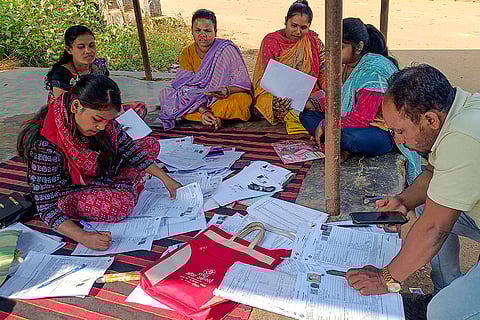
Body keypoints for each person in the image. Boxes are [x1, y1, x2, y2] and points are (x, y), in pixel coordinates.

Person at [345, 65, 480, 320]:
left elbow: (434, 229)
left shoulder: (463, 137)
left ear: (430, 119)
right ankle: (447, 286)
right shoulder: (458, 111)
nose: (397, 140)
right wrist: (402, 201)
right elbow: (431, 175)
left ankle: (451, 301)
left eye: (400, 131)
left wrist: (387, 278)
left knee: (445, 312)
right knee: (425, 205)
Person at [18, 74, 181, 250]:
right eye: (97, 119)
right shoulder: (46, 144)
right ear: (75, 107)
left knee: (150, 144)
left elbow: (129, 148)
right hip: (69, 190)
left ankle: (126, 185)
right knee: (118, 206)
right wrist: (84, 237)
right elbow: (46, 208)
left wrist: (165, 179)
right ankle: (128, 186)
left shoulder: (103, 124)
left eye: (108, 120)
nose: (103, 127)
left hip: (100, 173)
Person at [299, 17, 397, 156]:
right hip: (348, 123)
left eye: (341, 47)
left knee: (345, 137)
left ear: (359, 47)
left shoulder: (372, 72)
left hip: (378, 131)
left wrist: (325, 125)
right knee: (306, 116)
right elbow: (337, 101)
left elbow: (363, 118)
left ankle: (335, 142)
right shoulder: (345, 66)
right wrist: (314, 104)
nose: (333, 52)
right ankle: (335, 142)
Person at [158, 9, 252, 130]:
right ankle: (211, 117)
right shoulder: (187, 52)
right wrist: (202, 110)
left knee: (243, 100)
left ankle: (212, 117)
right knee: (166, 94)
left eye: (207, 31)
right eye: (198, 30)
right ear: (192, 32)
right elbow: (183, 86)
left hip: (220, 98)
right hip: (195, 100)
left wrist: (227, 90)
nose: (202, 35)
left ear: (215, 32)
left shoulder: (226, 49)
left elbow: (244, 84)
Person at [252, 0, 327, 134]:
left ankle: (302, 113)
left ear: (309, 26)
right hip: (276, 93)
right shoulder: (271, 41)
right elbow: (266, 77)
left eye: (303, 28)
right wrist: (279, 97)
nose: (298, 32)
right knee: (274, 105)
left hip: (308, 94)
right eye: (294, 25)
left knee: (324, 101)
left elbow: (323, 70)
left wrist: (327, 86)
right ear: (286, 21)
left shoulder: (313, 41)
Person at [45, 25, 147, 118]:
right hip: (74, 116)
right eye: (81, 47)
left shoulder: (99, 69)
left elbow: (108, 95)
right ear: (69, 49)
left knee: (139, 108)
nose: (88, 51)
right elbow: (62, 108)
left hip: (98, 111)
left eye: (91, 45)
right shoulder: (62, 73)